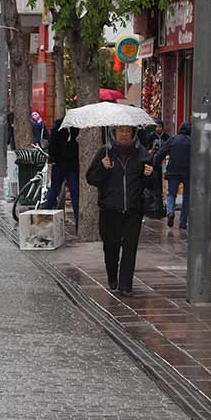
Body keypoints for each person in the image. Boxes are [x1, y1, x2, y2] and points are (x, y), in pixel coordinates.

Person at [86, 125, 154, 297]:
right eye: (120, 131)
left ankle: (126, 285)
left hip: (133, 209)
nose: (124, 134)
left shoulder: (142, 154)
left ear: (133, 133)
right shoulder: (105, 152)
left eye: (127, 131)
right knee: (111, 246)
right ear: (114, 133)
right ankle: (112, 277)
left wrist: (150, 175)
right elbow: (91, 179)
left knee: (130, 248)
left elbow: (151, 185)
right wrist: (103, 167)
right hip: (110, 209)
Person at [45, 117, 80, 226]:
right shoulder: (77, 126)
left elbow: (52, 143)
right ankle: (78, 222)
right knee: (74, 193)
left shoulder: (58, 125)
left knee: (54, 190)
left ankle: (45, 215)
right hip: (71, 163)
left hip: (61, 163)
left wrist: (52, 160)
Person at [157, 121, 192, 229]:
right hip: (188, 172)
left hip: (173, 171)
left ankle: (170, 211)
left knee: (171, 194)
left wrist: (154, 164)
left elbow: (161, 152)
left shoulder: (173, 139)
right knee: (187, 197)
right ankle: (182, 222)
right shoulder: (193, 141)